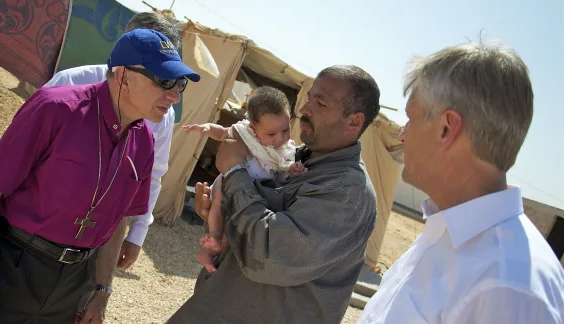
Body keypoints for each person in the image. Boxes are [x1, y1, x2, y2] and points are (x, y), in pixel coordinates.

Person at [0, 29, 199, 323]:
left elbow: (118, 219)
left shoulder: (145, 143)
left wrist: (102, 290)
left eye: (179, 84)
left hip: (78, 282)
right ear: (124, 76)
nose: (175, 96)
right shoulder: (56, 108)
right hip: (13, 264)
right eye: (164, 82)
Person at [358, 43, 564, 324]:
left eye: (411, 117)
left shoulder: (506, 289)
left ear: (446, 128)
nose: (402, 134)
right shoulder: (447, 233)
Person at [167, 65, 380, 324]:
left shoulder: (348, 191)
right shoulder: (293, 157)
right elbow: (253, 215)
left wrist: (234, 172)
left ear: (354, 121)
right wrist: (219, 208)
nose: (304, 109)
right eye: (309, 97)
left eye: (320, 103)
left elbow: (268, 255)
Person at [43, 11, 182, 270]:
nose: (169, 89)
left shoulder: (162, 114)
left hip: (93, 247)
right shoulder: (68, 85)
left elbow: (151, 175)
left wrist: (137, 233)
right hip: (32, 236)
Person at [182, 86, 306, 273]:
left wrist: (293, 170)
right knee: (217, 203)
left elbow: (282, 169)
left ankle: (210, 251)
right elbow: (223, 132)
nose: (280, 139)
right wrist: (207, 128)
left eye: (286, 130)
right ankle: (214, 237)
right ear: (253, 126)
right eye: (271, 134)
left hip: (251, 191)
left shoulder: (285, 149)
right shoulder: (245, 134)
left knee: (232, 221)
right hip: (231, 181)